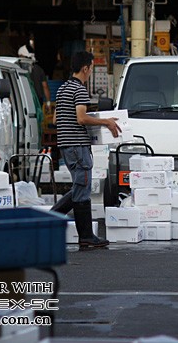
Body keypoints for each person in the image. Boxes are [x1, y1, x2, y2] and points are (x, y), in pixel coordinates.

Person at [51, 51, 122, 250]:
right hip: (78, 146)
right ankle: (85, 236)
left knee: (79, 187)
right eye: (91, 67)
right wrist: (105, 122)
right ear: (85, 68)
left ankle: (52, 219)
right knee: (82, 189)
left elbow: (57, 119)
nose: (91, 71)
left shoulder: (63, 88)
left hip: (66, 146)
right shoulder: (79, 90)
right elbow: (81, 118)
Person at [18, 36, 51, 107]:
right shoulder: (39, 69)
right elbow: (45, 86)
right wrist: (48, 102)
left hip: (25, 100)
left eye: (21, 56)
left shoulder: (20, 69)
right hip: (38, 101)